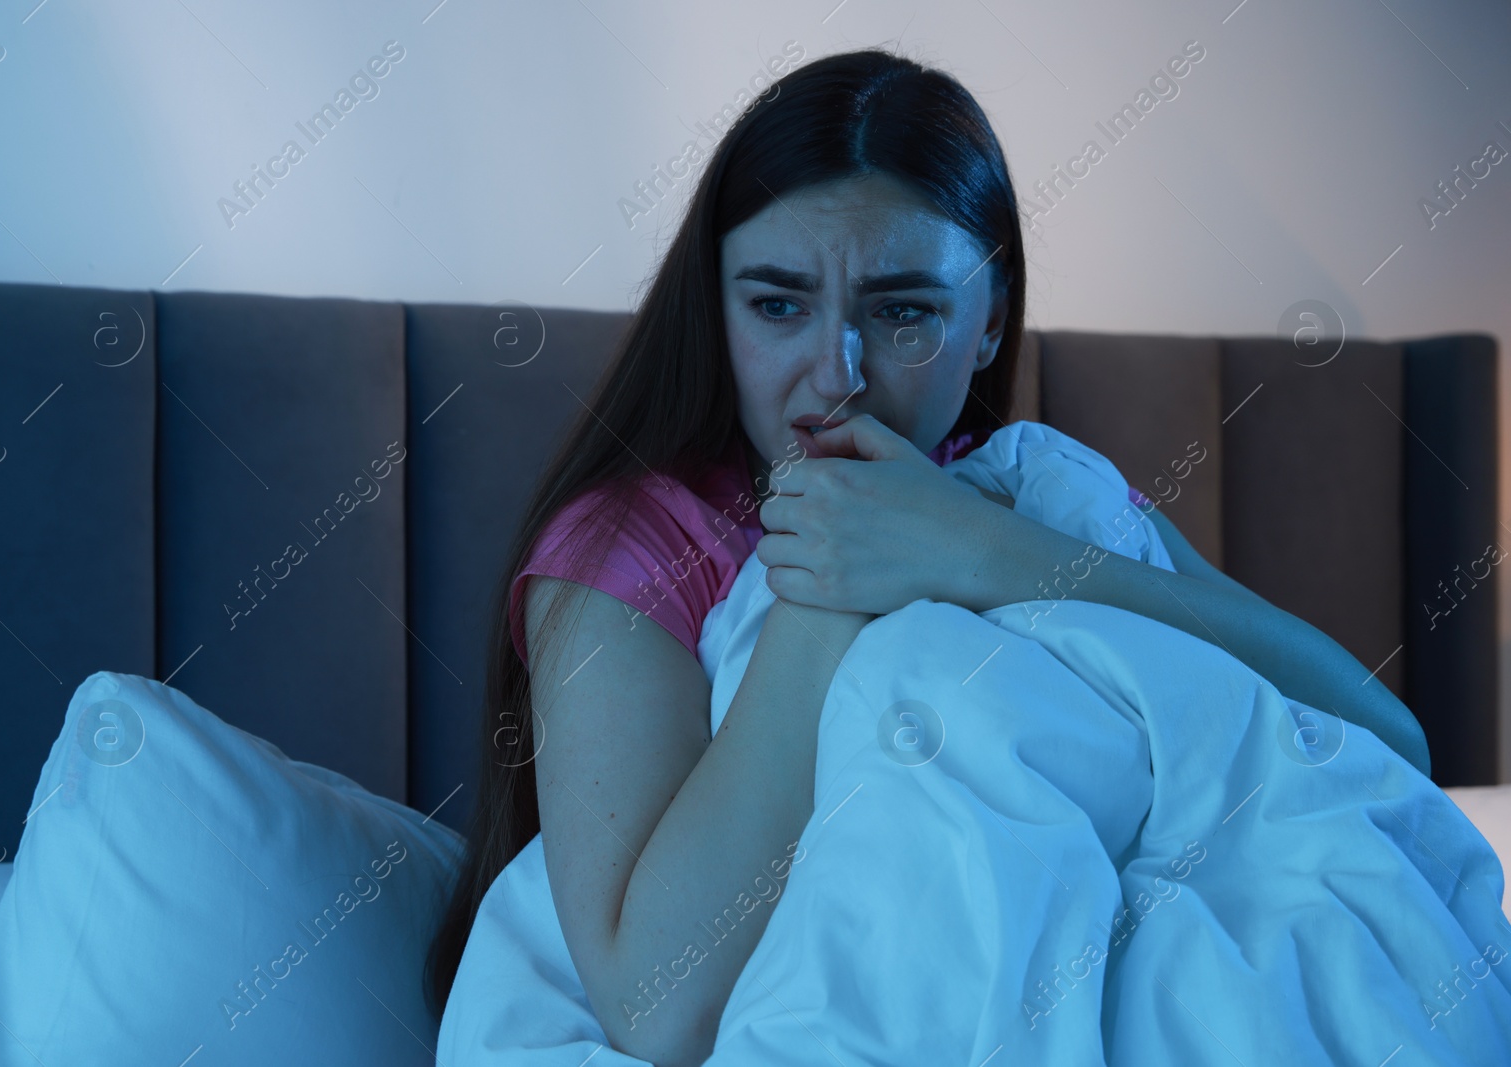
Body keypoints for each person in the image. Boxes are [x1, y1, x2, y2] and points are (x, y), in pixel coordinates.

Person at [424, 46, 1429, 1067]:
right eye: (776, 304)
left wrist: (987, 548)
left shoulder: (1035, 490)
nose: (836, 373)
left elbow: (1388, 743)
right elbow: (658, 1008)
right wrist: (830, 580)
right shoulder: (626, 548)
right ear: (714, 308)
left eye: (903, 311)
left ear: (988, 322)